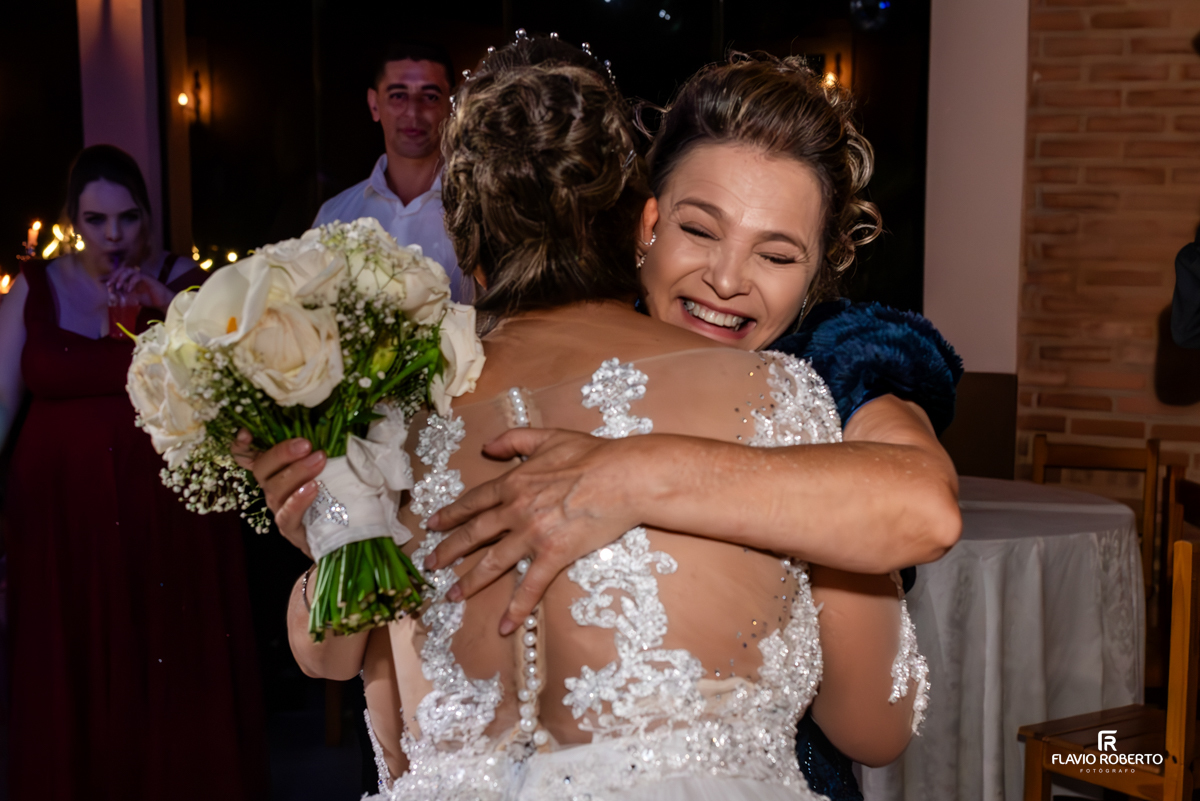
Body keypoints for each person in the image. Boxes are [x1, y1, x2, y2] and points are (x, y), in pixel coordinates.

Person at [242, 37, 944, 800]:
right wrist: (332, 532)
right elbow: (876, 722)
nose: (727, 278)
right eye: (700, 229)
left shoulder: (834, 366)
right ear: (644, 220)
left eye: (776, 255)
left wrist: (636, 471)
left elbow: (396, 743)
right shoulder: (779, 396)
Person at [0, 145, 268, 800]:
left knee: (171, 662)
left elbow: (233, 384)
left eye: (127, 218)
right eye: (96, 220)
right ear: (74, 218)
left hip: (172, 513)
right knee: (75, 667)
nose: (113, 236)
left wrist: (165, 302)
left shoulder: (182, 278)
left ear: (146, 216)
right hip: (59, 520)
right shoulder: (36, 285)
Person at [313, 41, 468, 301]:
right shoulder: (335, 217)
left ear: (452, 106)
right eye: (398, 95)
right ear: (374, 104)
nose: (413, 112)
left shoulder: (480, 213)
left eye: (430, 97)